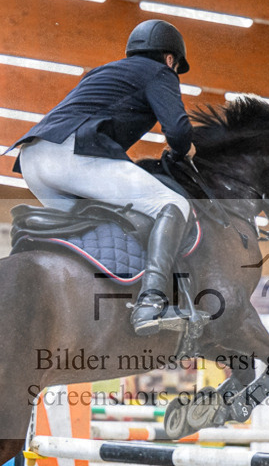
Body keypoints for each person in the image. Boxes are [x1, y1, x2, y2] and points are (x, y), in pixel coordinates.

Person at [10, 19, 196, 336]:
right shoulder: (160, 72)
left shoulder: (103, 71)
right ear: (169, 59)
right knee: (174, 204)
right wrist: (185, 150)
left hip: (34, 159)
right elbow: (177, 130)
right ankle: (151, 302)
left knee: (96, 228)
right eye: (175, 66)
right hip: (74, 155)